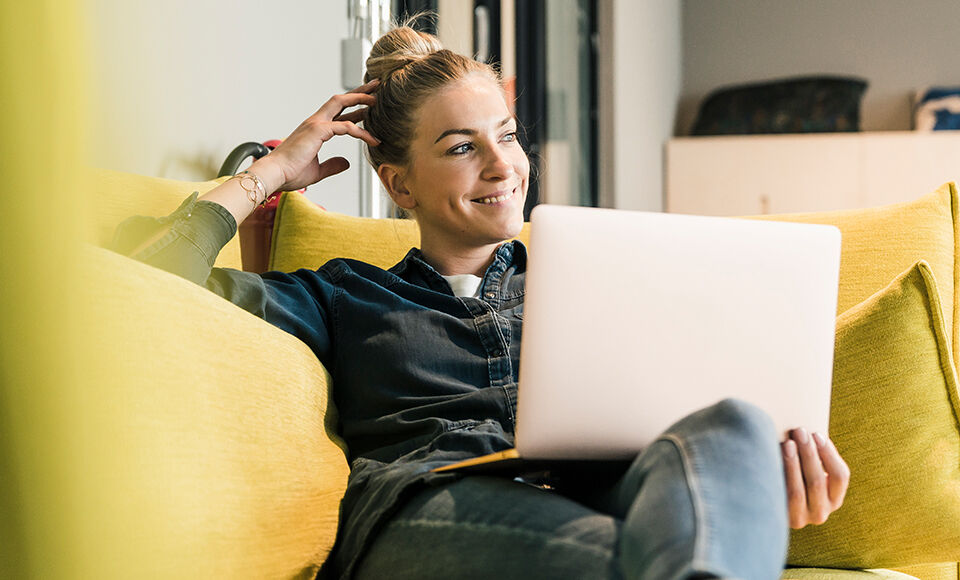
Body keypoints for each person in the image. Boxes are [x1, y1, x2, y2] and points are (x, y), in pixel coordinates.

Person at [113, 23, 850, 580]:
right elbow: (144, 285)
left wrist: (751, 493)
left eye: (507, 135)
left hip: (604, 490)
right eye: (463, 147)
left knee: (736, 423)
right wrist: (273, 170)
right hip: (428, 506)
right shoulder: (340, 294)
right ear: (400, 184)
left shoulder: (595, 276)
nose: (504, 165)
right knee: (628, 562)